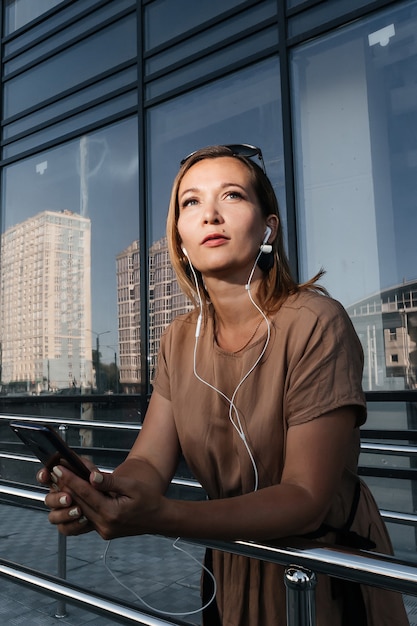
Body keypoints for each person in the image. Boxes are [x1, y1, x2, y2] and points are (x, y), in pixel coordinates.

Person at [38, 144, 409, 626]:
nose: (210, 214)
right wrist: (101, 489)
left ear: (268, 227)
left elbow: (304, 497)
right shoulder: (178, 339)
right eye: (191, 202)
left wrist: (164, 516)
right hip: (231, 562)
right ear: (180, 236)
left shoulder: (316, 322)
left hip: (323, 571)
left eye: (231, 196)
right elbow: (149, 461)